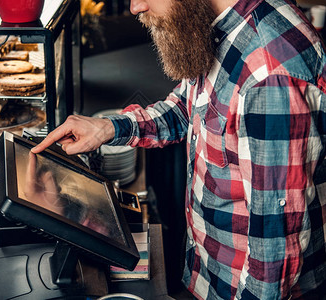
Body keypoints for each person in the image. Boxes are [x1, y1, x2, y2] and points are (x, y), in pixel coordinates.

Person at [32, 0, 326, 298]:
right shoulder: (220, 24)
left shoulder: (270, 77)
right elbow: (187, 108)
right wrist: (108, 128)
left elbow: (273, 263)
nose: (135, 7)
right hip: (207, 273)